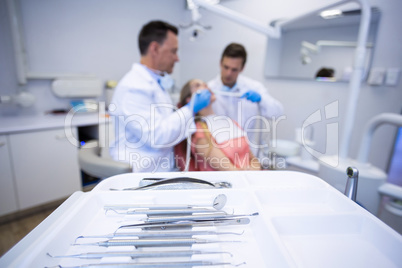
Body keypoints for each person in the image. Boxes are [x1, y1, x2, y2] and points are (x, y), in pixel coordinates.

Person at [109, 20, 211, 172]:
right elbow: (158, 136)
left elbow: (165, 123)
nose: (177, 58)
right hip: (141, 175)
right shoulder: (133, 88)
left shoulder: (153, 82)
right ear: (155, 48)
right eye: (173, 51)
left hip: (161, 167)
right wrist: (190, 108)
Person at [208, 43, 284, 156]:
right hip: (219, 156)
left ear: (242, 68)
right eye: (226, 67)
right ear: (220, 63)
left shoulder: (253, 87)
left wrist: (261, 99)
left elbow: (277, 113)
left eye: (234, 69)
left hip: (248, 155)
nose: (228, 73)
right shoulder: (209, 89)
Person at [176, 78, 261, 171]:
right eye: (198, 85)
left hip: (251, 178)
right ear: (189, 99)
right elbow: (230, 171)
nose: (206, 86)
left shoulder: (230, 122)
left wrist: (254, 169)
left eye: (205, 84)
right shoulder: (200, 132)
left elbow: (253, 159)